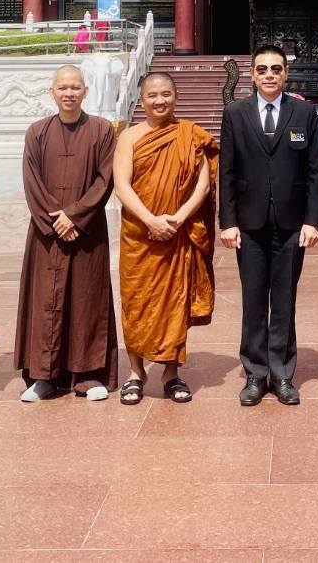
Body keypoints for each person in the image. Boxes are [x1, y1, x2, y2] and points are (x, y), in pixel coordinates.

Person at [219, 45, 318, 406]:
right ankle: (254, 373)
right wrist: (227, 222)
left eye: (275, 69)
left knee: (284, 299)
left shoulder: (304, 113)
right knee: (252, 299)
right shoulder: (235, 113)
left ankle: (281, 374)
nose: (269, 75)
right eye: (261, 69)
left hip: (292, 222)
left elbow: (313, 172)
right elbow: (227, 171)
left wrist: (313, 220)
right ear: (251, 74)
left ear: (285, 74)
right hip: (249, 223)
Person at [112, 71, 218, 405]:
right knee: (136, 302)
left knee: (176, 301)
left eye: (166, 94)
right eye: (153, 95)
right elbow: (121, 185)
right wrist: (150, 220)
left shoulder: (190, 135)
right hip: (140, 235)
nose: (160, 101)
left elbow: (203, 184)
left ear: (176, 96)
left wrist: (178, 218)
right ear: (142, 100)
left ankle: (171, 372)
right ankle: (135, 371)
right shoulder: (129, 137)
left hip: (176, 231)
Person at [15, 65, 119, 403]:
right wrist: (55, 220)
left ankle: (89, 376)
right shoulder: (37, 132)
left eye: (75, 87)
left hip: (87, 232)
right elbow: (31, 180)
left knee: (87, 301)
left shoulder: (103, 131)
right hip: (47, 234)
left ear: (85, 92)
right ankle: (45, 377)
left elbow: (106, 180)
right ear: (52, 92)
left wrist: (74, 216)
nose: (69, 93)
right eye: (63, 87)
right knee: (46, 301)